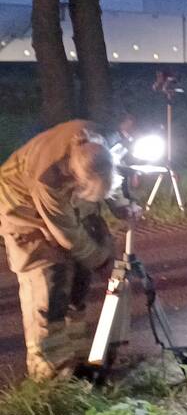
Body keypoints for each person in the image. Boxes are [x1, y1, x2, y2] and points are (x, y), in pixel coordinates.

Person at [0, 120, 140, 381]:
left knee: (79, 279)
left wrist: (120, 204)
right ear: (76, 179)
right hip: (23, 209)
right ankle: (50, 370)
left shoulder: (101, 146)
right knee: (48, 280)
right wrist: (102, 262)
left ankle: (77, 355)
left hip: (72, 202)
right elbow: (68, 235)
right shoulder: (48, 176)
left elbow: (108, 175)